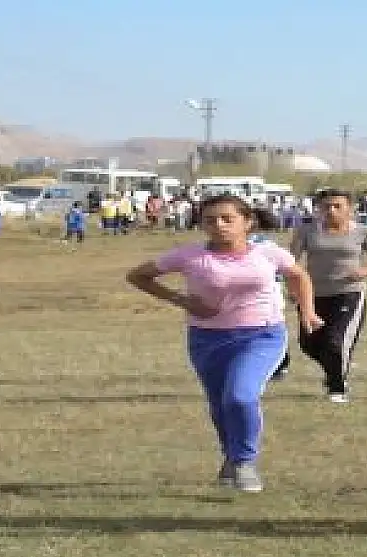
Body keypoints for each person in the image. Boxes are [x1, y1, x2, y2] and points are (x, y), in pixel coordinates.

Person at [125, 195, 323, 492]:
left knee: (240, 396)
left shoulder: (268, 253)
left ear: (247, 222)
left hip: (262, 334)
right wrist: (181, 300)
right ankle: (231, 460)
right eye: (210, 220)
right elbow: (138, 276)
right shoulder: (189, 255)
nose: (218, 225)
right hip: (207, 339)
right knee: (220, 404)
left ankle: (244, 462)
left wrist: (307, 310)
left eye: (227, 219)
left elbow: (299, 276)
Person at [289, 188, 367, 403]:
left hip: (348, 293)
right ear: (318, 209)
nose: (331, 211)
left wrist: (363, 272)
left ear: (349, 209)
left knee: (335, 342)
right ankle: (336, 367)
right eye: (326, 206)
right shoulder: (306, 231)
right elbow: (291, 263)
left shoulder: (364, 232)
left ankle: (337, 389)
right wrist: (293, 289)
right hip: (312, 294)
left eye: (337, 206)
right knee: (309, 344)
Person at [248, 208, 291, 379]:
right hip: (272, 289)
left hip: (267, 290)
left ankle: (279, 363)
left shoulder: (260, 242)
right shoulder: (271, 242)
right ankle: (279, 363)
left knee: (268, 325)